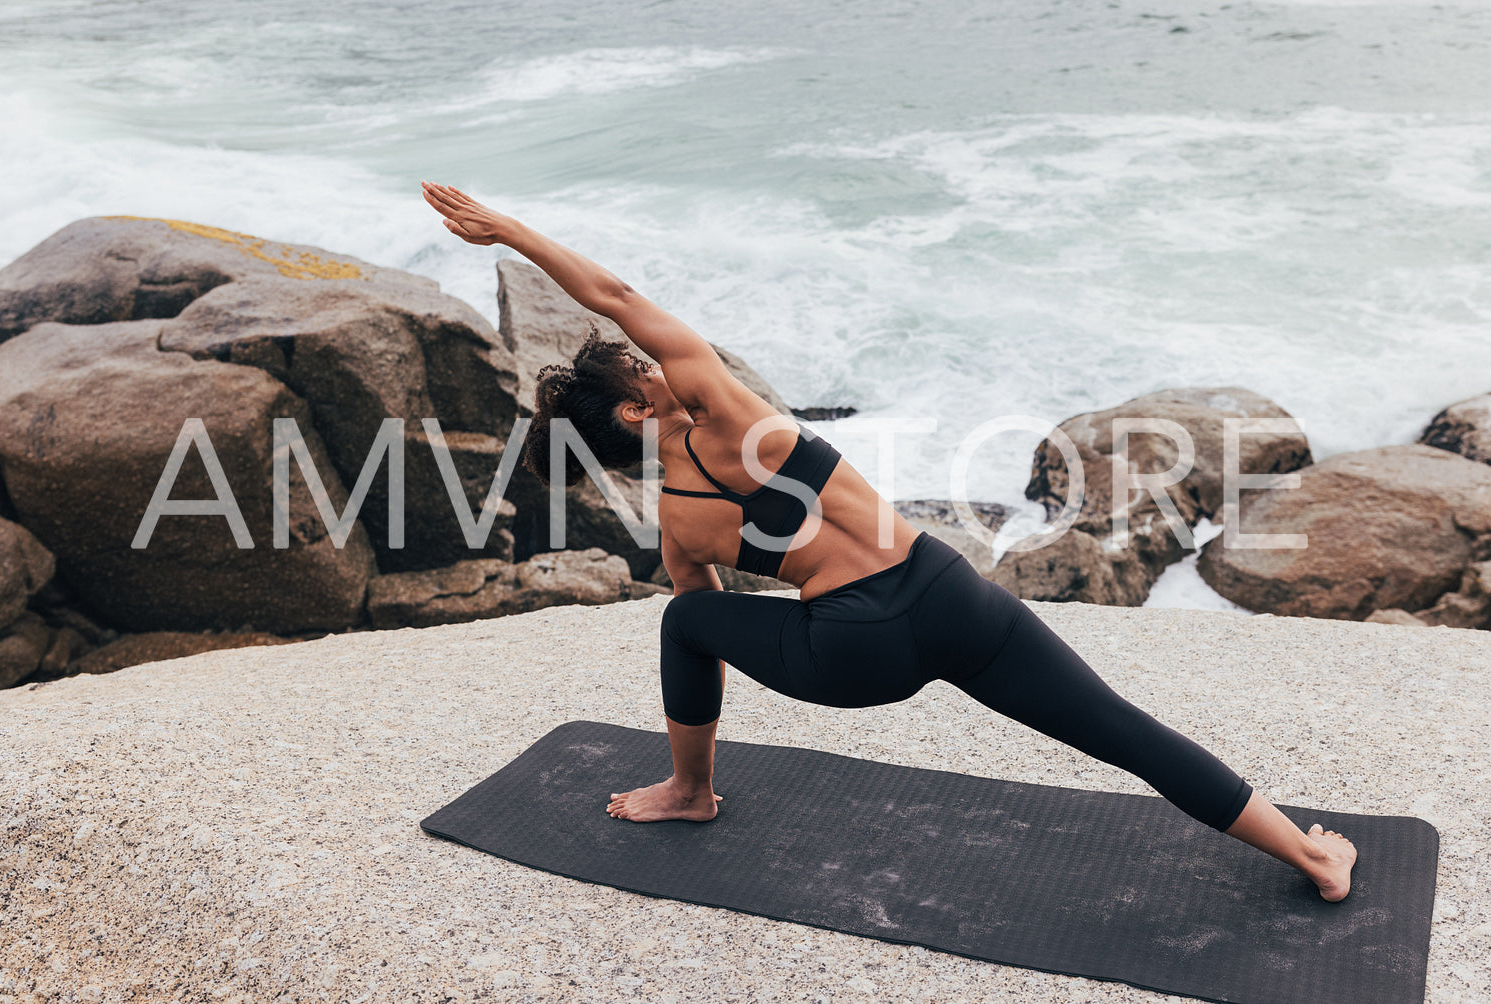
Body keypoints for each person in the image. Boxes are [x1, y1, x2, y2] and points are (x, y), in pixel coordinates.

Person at [421, 181, 1358, 902]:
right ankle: (1308, 853)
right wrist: (509, 231)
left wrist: (760, 602)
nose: (645, 356)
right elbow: (615, 291)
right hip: (951, 595)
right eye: (634, 367)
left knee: (687, 621)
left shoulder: (678, 517)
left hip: (851, 654)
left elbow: (698, 610)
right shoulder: (723, 406)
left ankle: (689, 790)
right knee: (1120, 732)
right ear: (634, 404)